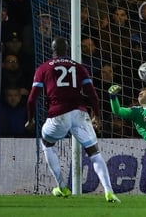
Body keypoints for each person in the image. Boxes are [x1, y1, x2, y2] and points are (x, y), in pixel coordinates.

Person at [24, 37, 119, 203]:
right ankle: (109, 191)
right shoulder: (79, 67)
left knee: (46, 144)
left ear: (52, 50)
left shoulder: (43, 68)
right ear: (67, 50)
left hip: (58, 114)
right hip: (79, 113)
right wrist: (97, 115)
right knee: (95, 153)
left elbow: (32, 99)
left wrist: (30, 119)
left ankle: (61, 186)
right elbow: (92, 94)